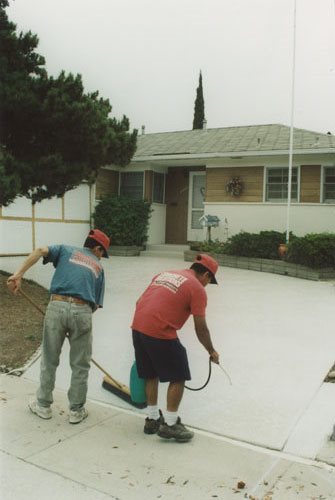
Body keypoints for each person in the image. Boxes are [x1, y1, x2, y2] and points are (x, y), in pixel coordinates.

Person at [6, 229, 110, 424]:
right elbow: (95, 304)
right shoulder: (98, 268)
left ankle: (43, 406)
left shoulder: (65, 250)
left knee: (49, 358)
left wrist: (18, 274)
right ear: (97, 248)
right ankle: (76, 411)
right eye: (103, 252)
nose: (102, 257)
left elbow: (39, 250)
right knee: (81, 364)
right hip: (83, 312)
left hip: (57, 305)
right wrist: (79, 324)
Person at [131, 253, 220, 443]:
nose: (207, 285)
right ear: (206, 274)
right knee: (178, 375)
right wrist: (211, 350)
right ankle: (170, 424)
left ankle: (152, 419)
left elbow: (139, 302)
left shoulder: (166, 273)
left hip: (138, 328)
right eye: (209, 281)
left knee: (151, 374)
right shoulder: (197, 288)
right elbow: (201, 327)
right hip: (159, 331)